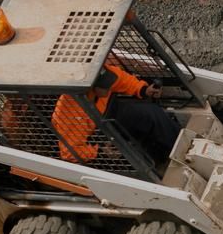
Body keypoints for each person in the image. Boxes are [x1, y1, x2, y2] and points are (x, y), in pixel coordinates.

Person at [52, 63, 181, 166]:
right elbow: (69, 153)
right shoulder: (69, 114)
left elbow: (121, 79)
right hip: (98, 136)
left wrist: (143, 89)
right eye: (104, 86)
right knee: (130, 156)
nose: (109, 87)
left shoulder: (101, 72)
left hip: (113, 110)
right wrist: (99, 151)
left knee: (152, 114)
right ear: (89, 88)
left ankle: (182, 148)